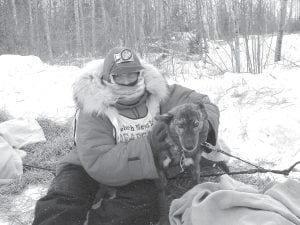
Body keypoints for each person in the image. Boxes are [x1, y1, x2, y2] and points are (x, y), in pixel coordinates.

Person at [32, 47, 221, 225]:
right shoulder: (94, 106)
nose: (127, 80)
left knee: (144, 205)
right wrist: (150, 148)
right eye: (120, 77)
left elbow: (202, 103)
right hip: (85, 167)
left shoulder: (160, 93)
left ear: (141, 74)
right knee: (63, 200)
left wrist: (204, 126)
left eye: (132, 74)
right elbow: (99, 163)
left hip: (141, 170)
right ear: (108, 78)